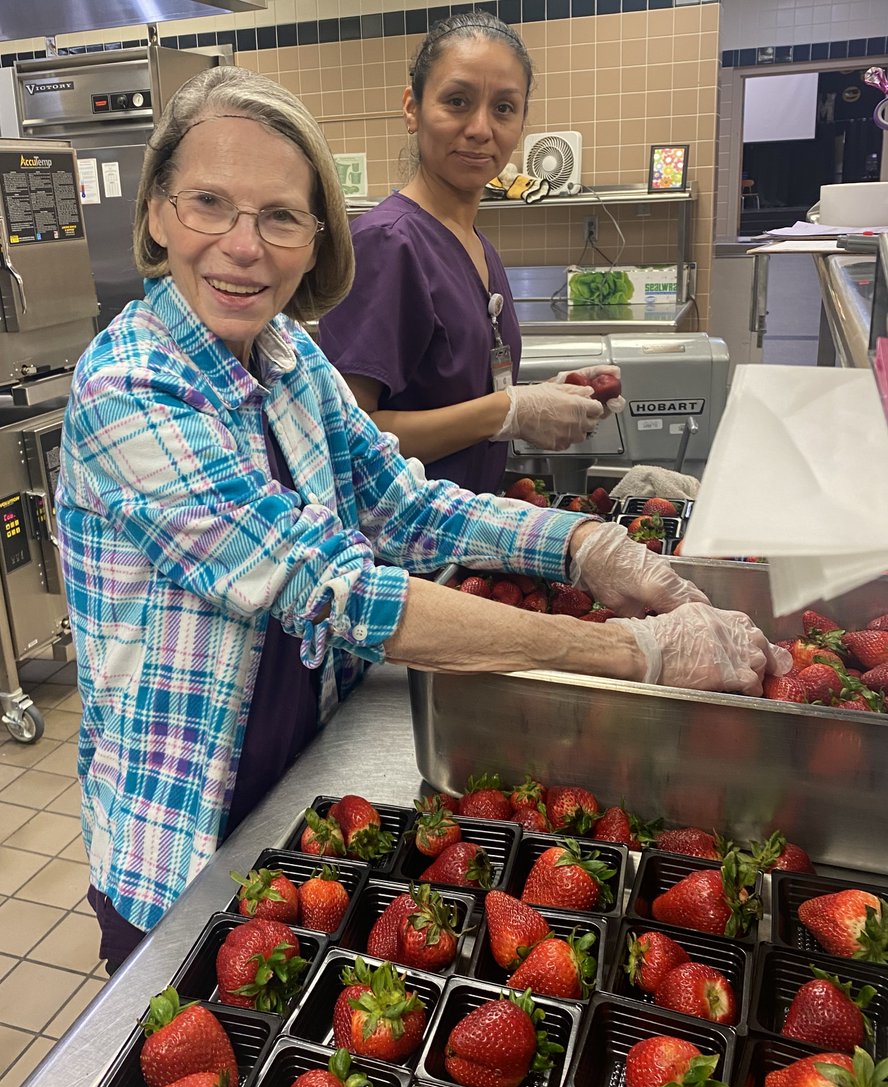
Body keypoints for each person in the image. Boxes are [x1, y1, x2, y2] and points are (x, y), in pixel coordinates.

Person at [56, 65, 789, 975]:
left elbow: (407, 505)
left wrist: (586, 546)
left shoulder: (289, 358)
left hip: (295, 796)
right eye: (209, 203)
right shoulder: (128, 386)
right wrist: (630, 653)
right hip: (185, 832)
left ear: (316, 235)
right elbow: (338, 589)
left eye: (281, 216)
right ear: (159, 214)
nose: (244, 246)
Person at [317, 12, 623, 494]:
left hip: (467, 538)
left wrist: (547, 396)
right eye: (457, 101)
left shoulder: (476, 245)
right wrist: (509, 412)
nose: (481, 128)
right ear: (413, 108)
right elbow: (343, 440)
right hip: (400, 551)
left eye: (504, 108)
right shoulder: (387, 243)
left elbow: (461, 391)